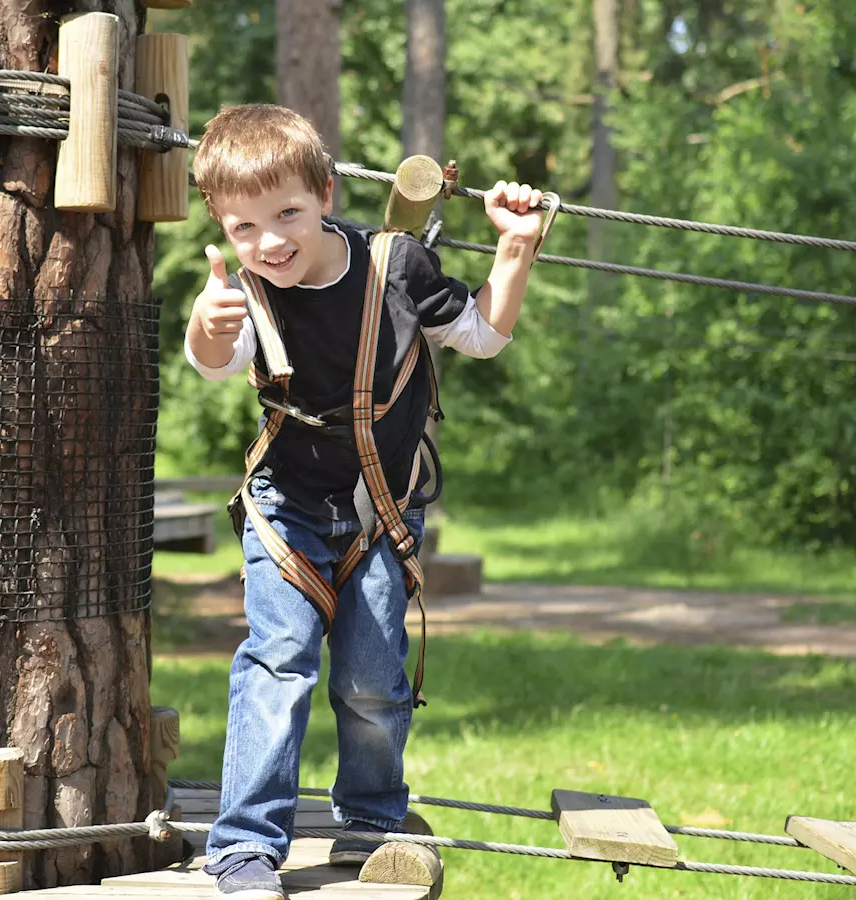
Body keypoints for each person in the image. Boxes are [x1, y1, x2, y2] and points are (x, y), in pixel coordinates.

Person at [184, 103, 545, 900]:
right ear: (219, 220)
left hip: (384, 510)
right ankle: (243, 847)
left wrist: (515, 248)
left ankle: (371, 820)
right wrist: (209, 324)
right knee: (276, 666)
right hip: (287, 509)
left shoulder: (397, 266)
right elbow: (215, 360)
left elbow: (481, 334)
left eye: (288, 215)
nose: (270, 241)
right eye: (244, 227)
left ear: (323, 191)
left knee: (373, 682)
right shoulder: (243, 291)